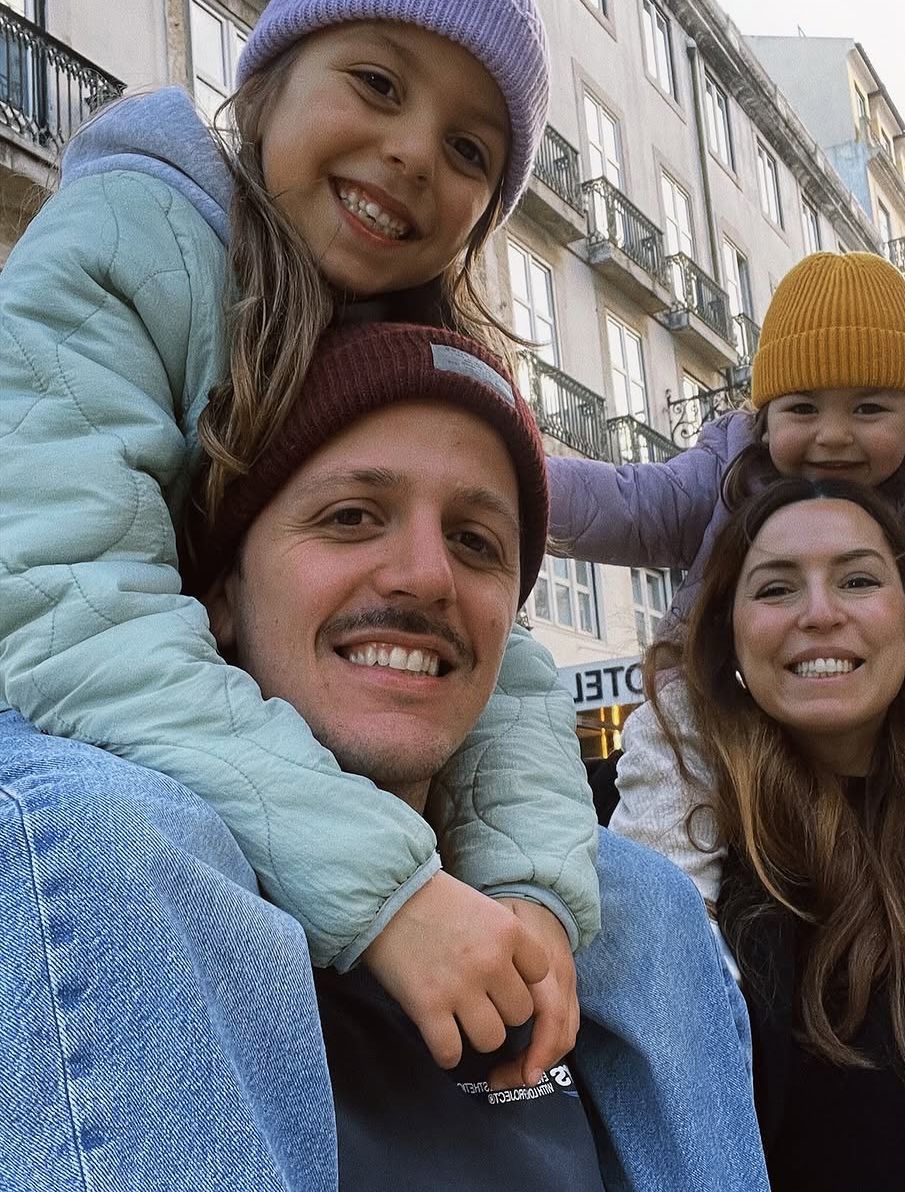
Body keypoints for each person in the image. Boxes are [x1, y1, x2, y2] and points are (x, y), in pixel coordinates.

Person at [0, 0, 599, 1085]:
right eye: (377, 82)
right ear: (266, 78)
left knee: (631, 898)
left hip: (262, 750)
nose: (417, 153)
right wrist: (389, 888)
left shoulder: (404, 348)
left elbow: (515, 673)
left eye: (472, 150)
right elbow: (62, 601)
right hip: (59, 708)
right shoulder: (130, 240)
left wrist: (531, 892)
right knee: (109, 834)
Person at [0, 322, 770, 1192]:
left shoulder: (625, 925)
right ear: (219, 595)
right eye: (351, 517)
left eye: (478, 541)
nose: (425, 575)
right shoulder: (58, 898)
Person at [549, 250, 905, 912]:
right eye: (802, 408)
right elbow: (624, 503)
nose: (833, 437)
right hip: (735, 697)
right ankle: (671, 945)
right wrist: (498, 469)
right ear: (763, 419)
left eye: (868, 409)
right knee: (675, 728)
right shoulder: (723, 474)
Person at [633, 476, 905, 1190]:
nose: (819, 613)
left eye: (859, 579)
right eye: (776, 589)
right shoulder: (691, 855)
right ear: (732, 636)